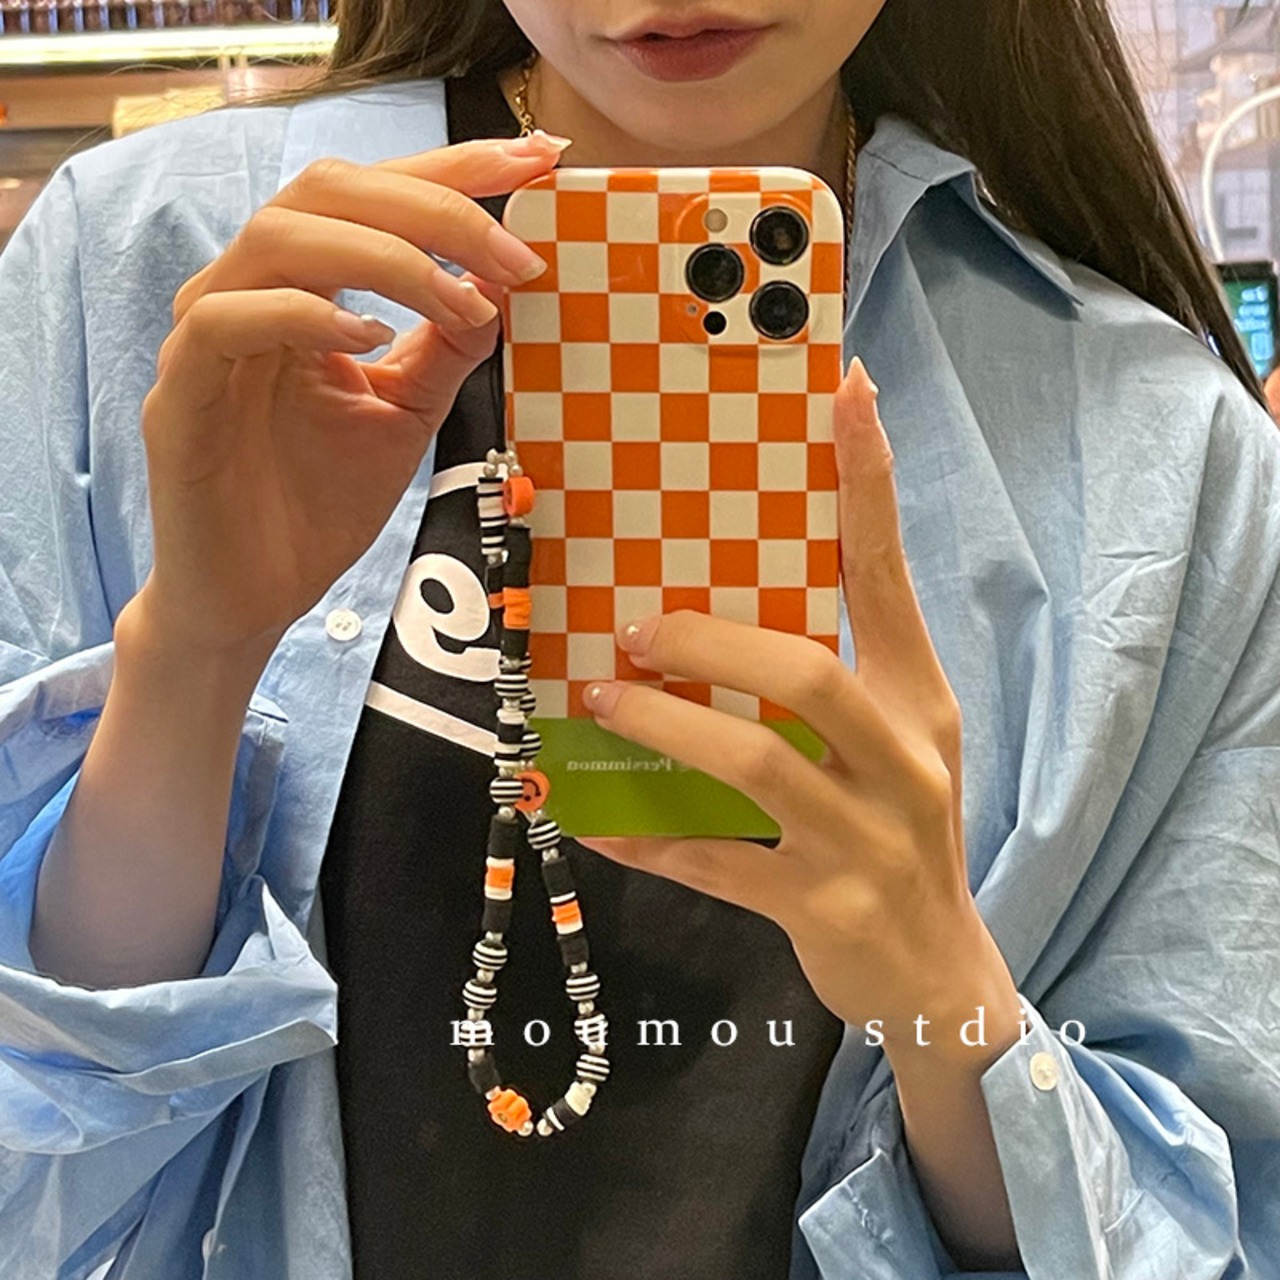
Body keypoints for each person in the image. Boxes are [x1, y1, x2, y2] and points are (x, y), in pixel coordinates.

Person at [2, 1, 1279, 1277]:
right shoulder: (142, 263)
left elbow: (1203, 1225)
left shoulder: (1165, 455)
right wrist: (192, 652)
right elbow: (36, 1153)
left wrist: (942, 1001)